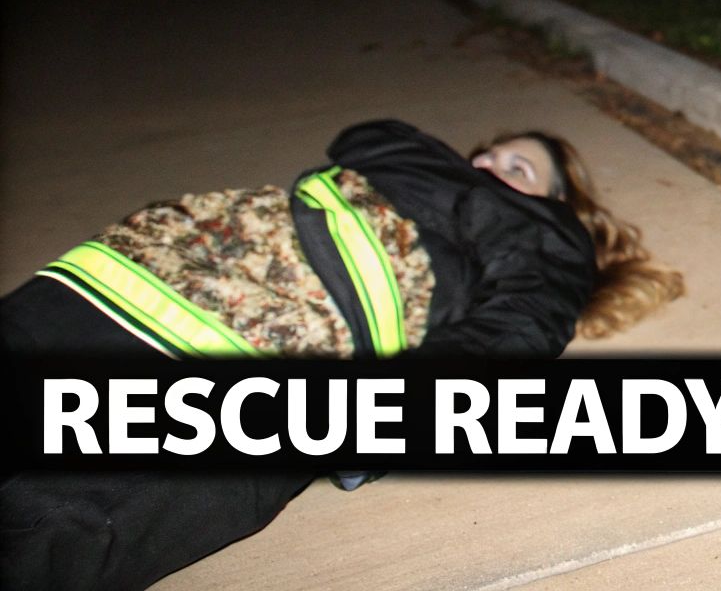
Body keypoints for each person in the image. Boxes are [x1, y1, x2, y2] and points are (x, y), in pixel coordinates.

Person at [0, 118, 684, 591]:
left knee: (52, 527)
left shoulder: (545, 238)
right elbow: (367, 136)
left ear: (561, 208)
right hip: (132, 278)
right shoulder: (402, 163)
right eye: (489, 153)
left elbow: (515, 334)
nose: (487, 166)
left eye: (519, 168)